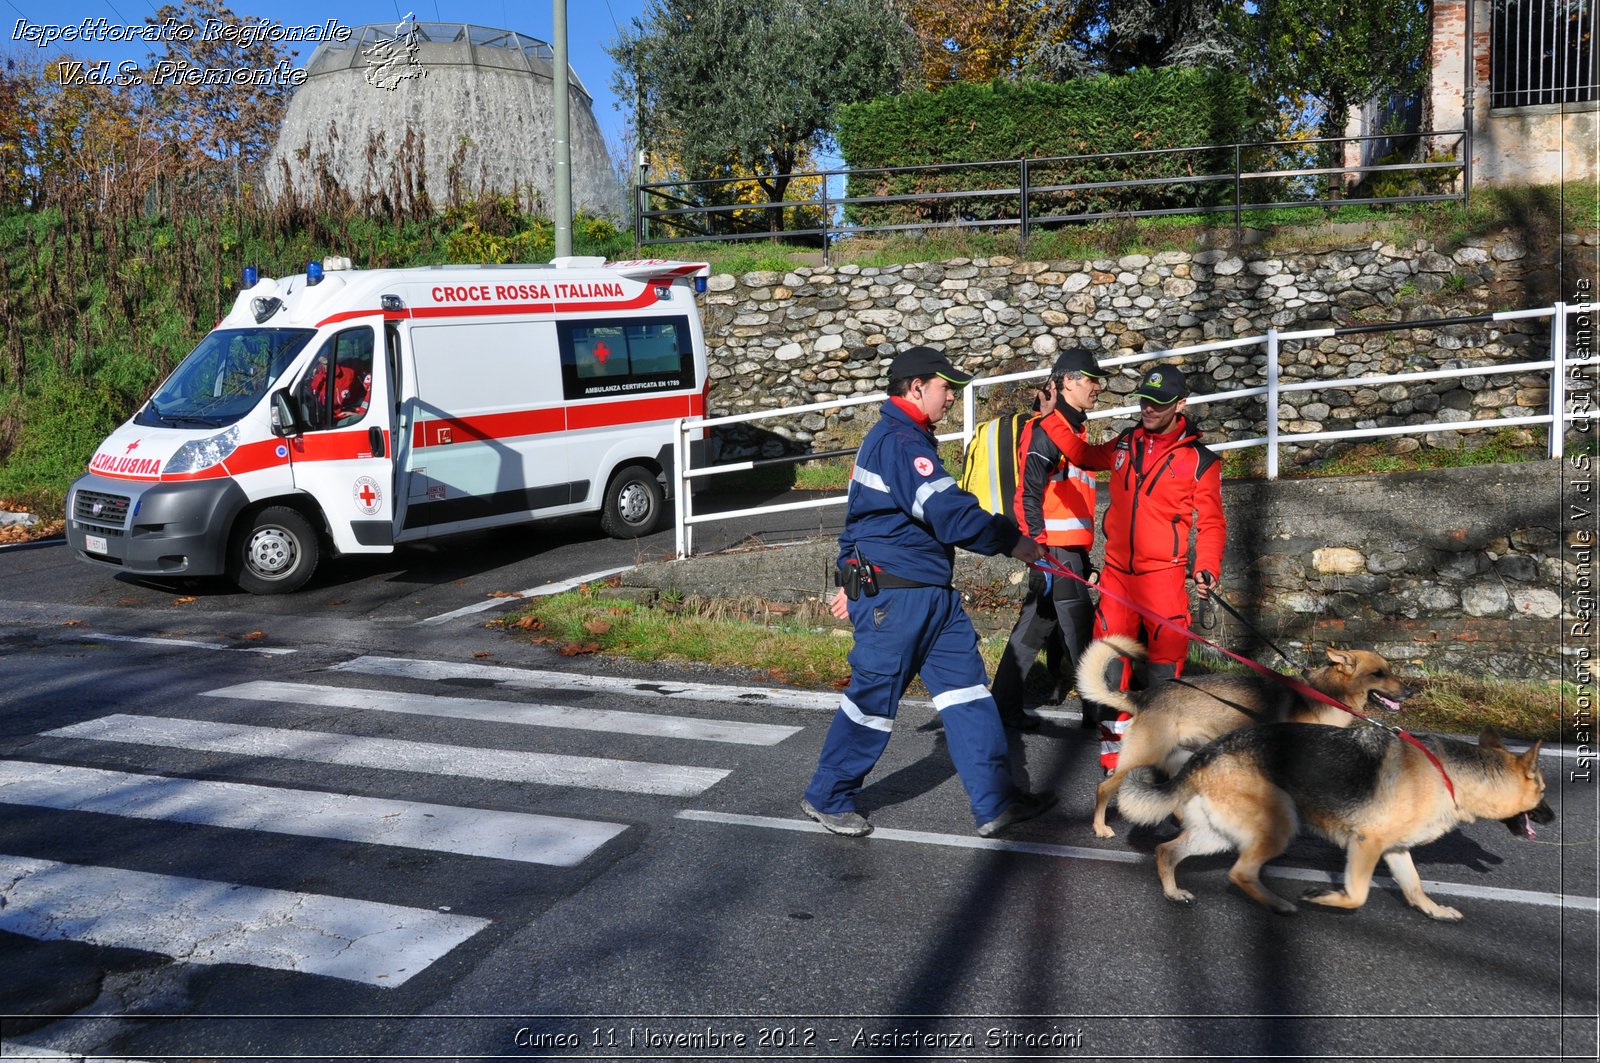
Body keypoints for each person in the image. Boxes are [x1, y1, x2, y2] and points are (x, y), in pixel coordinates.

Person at [801, 344, 1056, 839]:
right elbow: (950, 513)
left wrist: (847, 581)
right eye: (946, 389)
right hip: (897, 602)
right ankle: (828, 797)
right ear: (916, 387)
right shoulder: (899, 442)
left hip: (931, 596)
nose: (952, 399)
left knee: (968, 696)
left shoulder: (906, 438)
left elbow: (857, 522)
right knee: (873, 703)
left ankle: (996, 802)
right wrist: (1013, 541)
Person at [1037, 365, 1225, 773]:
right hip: (1118, 580)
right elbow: (1082, 454)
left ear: (1181, 405)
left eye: (1158, 404)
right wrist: (1051, 416)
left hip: (1165, 581)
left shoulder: (1201, 462)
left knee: (1164, 682)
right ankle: (1113, 764)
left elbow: (1211, 523)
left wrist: (1207, 567)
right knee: (1110, 678)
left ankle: (1165, 770)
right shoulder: (1125, 443)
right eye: (1144, 401)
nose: (1148, 409)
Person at [989, 348, 1107, 732]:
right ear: (1069, 381)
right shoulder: (1049, 431)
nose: (1098, 387)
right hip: (1054, 550)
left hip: (1066, 549)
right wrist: (1037, 551)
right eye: (1092, 380)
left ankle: (1003, 707)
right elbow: (1029, 494)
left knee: (1033, 627)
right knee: (1079, 630)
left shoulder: (1073, 430)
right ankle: (1099, 712)